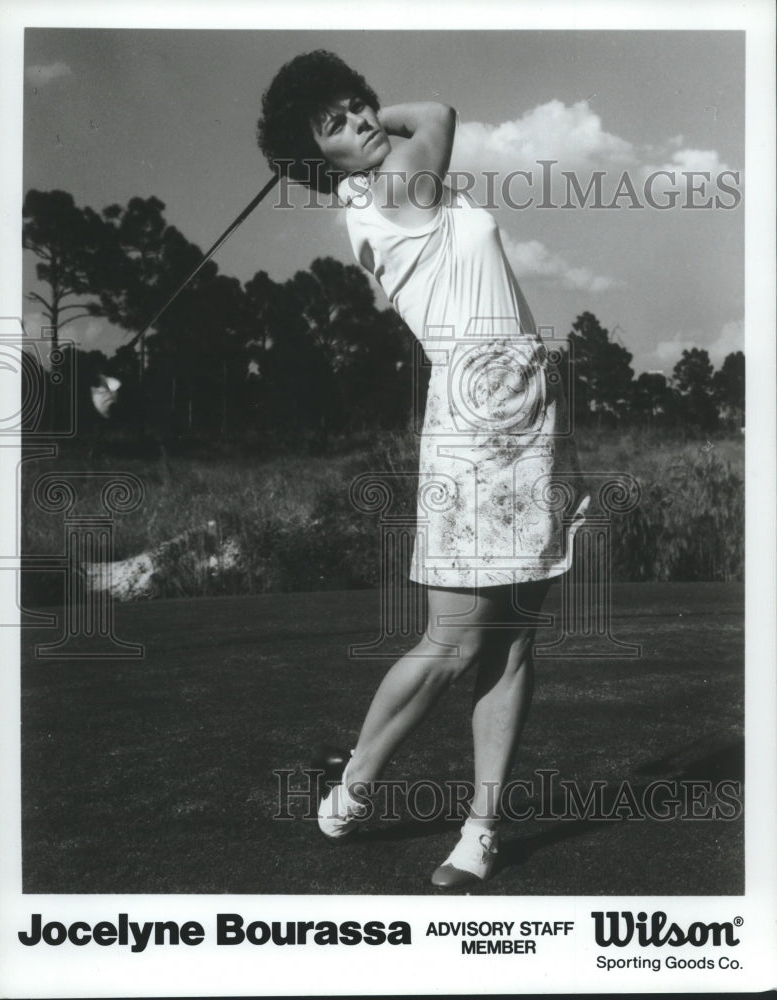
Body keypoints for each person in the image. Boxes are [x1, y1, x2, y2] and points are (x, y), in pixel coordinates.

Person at [257, 50, 587, 889]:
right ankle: (356, 784)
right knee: (450, 643)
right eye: (334, 122)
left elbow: (419, 119)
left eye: (357, 104)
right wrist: (333, 138)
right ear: (316, 161)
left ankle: (480, 834)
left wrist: (329, 124)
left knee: (511, 642)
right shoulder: (387, 192)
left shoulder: (393, 181)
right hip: (476, 419)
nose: (364, 121)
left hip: (530, 403)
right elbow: (437, 109)